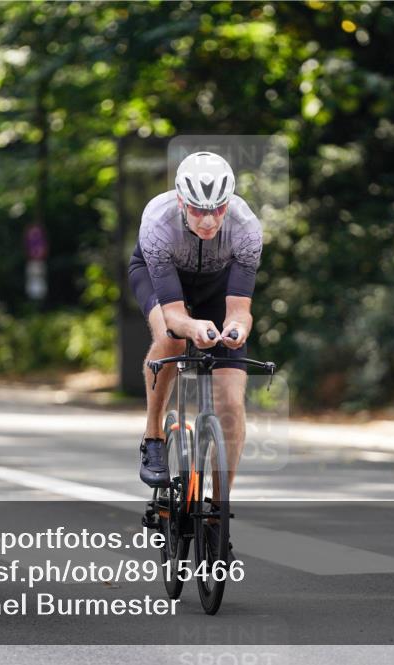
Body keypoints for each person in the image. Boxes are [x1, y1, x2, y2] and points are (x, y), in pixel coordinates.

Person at [128, 151, 263, 495]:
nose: (208, 219)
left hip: (216, 286)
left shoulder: (246, 228)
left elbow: (239, 310)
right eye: (198, 209)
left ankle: (219, 511)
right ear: (180, 201)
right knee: (171, 337)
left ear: (228, 202)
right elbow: (174, 315)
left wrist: (236, 329)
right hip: (161, 279)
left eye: (217, 208)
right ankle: (154, 436)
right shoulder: (158, 222)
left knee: (231, 404)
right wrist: (192, 327)